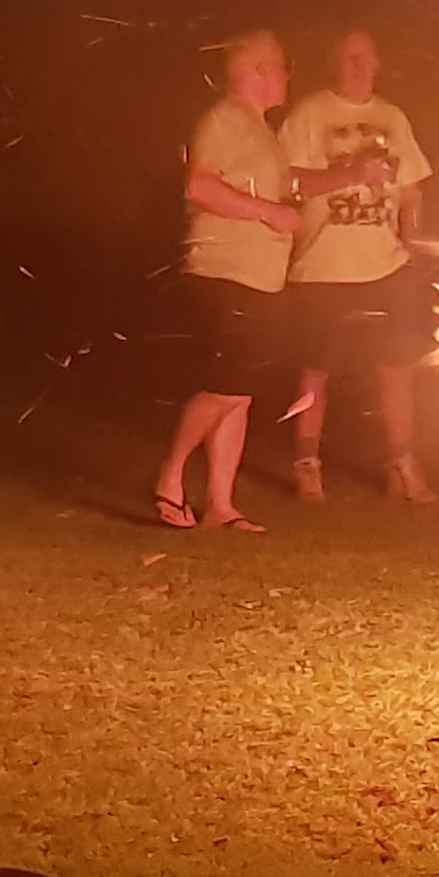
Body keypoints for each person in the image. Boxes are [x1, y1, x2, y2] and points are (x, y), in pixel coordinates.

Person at [278, 25, 439, 502]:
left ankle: (401, 464)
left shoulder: (392, 117)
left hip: (384, 266)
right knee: (316, 370)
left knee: (396, 366)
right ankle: (307, 464)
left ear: (378, 64)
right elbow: (287, 182)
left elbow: (411, 191)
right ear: (335, 62)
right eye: (350, 57)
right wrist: (349, 173)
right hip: (321, 266)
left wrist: (411, 246)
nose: (359, 66)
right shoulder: (311, 113)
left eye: (367, 57)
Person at [155, 29, 301, 532]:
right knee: (227, 386)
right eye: (281, 66)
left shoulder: (263, 132)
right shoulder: (223, 119)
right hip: (223, 271)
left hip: (260, 278)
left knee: (242, 394)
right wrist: (268, 213)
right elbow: (199, 186)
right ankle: (170, 474)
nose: (288, 76)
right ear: (257, 71)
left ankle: (221, 505)